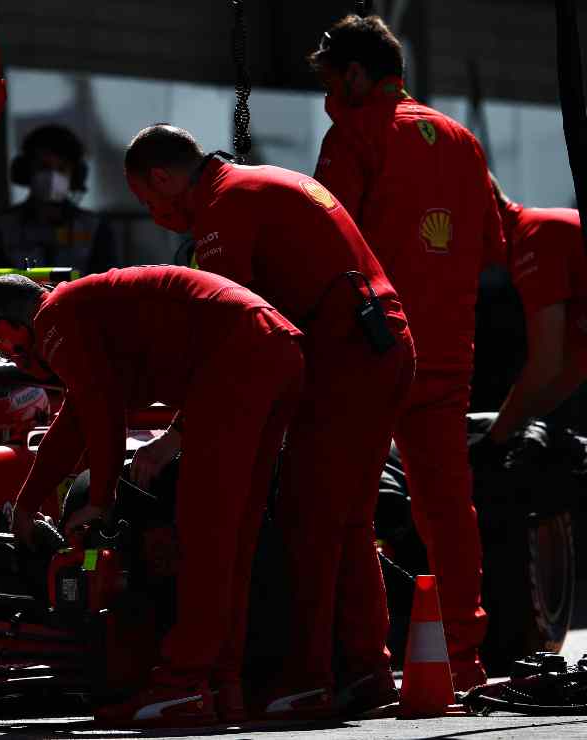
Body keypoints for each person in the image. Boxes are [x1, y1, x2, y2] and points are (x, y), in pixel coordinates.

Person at [123, 124, 415, 718]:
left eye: (147, 201)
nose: (154, 217)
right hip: (382, 345)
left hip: (347, 357)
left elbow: (234, 335)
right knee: (349, 519)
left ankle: (309, 677)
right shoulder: (266, 183)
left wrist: (174, 437)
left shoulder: (225, 208)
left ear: (161, 177)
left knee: (306, 515)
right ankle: (366, 671)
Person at [0, 267, 303, 728]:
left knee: (203, 534)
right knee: (237, 532)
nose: (9, 360)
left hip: (238, 354)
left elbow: (104, 412)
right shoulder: (82, 313)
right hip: (277, 348)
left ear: (12, 330)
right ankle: (224, 684)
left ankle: (182, 685)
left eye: (0, 346)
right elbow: (75, 421)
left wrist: (101, 499)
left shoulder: (54, 318)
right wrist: (28, 504)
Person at [310, 14, 506, 691]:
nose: (329, 96)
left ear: (358, 74)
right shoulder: (461, 139)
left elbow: (324, 242)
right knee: (449, 505)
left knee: (348, 505)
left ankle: (364, 662)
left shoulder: (355, 133)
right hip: (448, 349)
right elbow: (490, 248)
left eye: (332, 81)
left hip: (372, 348)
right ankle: (465, 660)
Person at [480, 176, 587, 447]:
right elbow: (572, 364)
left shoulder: (531, 240)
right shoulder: (538, 229)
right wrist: (514, 425)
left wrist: (494, 439)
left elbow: (546, 363)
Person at [0, 124, 120, 276]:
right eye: (43, 167)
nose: (52, 176)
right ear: (26, 171)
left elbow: (106, 284)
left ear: (75, 175)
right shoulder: (1, 228)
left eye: (61, 169)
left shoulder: (95, 228)